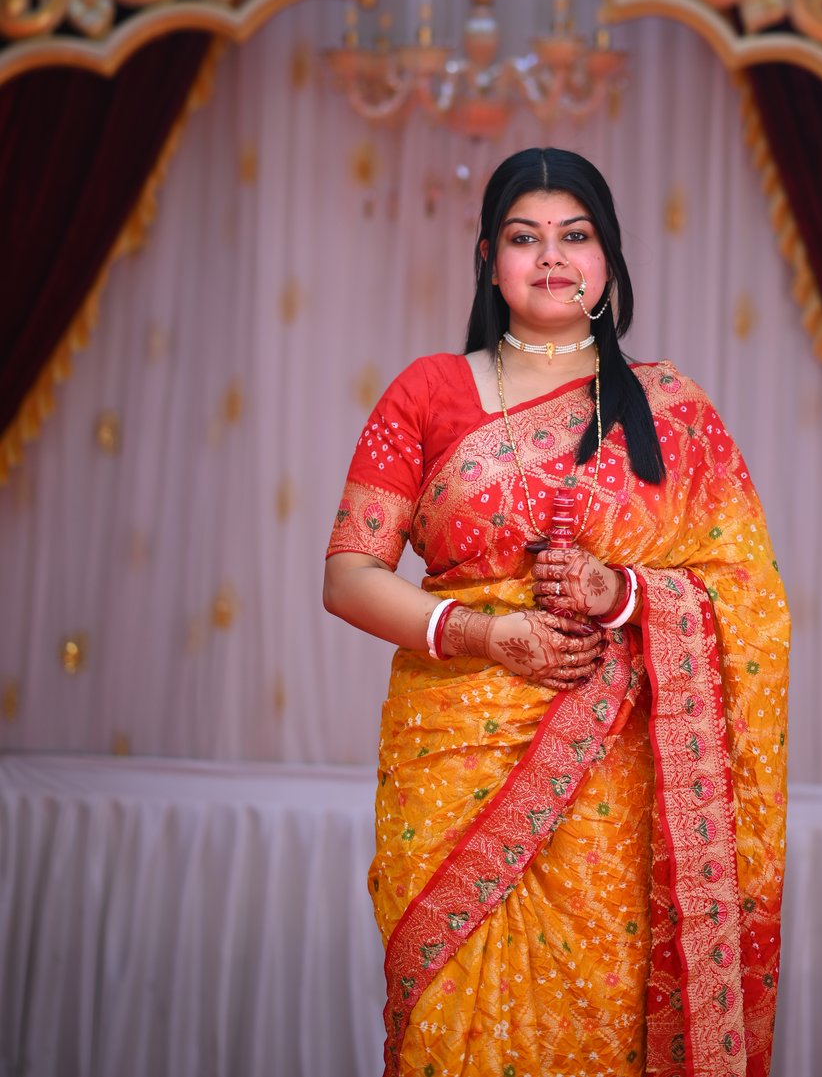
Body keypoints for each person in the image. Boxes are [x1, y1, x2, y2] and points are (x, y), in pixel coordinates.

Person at [323, 148, 789, 1077]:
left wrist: (623, 594)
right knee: (451, 1024)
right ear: (488, 260)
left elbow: (751, 595)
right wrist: (485, 633)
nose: (550, 257)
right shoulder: (428, 391)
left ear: (608, 258)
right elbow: (349, 575)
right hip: (454, 760)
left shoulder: (672, 411)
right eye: (523, 237)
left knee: (597, 1023)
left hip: (613, 787)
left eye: (575, 235)